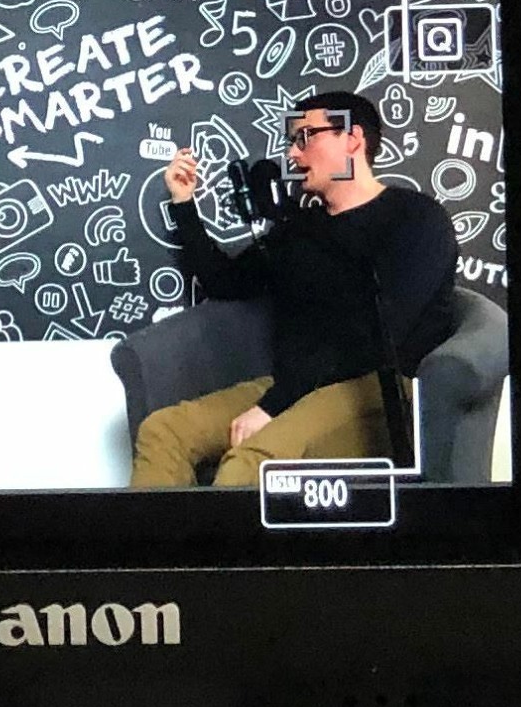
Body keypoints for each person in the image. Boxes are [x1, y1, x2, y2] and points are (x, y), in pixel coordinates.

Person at [131, 92, 459, 488]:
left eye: (305, 137)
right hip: (294, 384)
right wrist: (185, 204)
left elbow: (377, 335)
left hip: (376, 388)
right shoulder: (300, 229)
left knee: (252, 463)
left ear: (352, 138)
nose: (292, 154)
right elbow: (224, 281)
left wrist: (272, 407)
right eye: (291, 141)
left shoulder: (416, 219)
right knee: (163, 431)